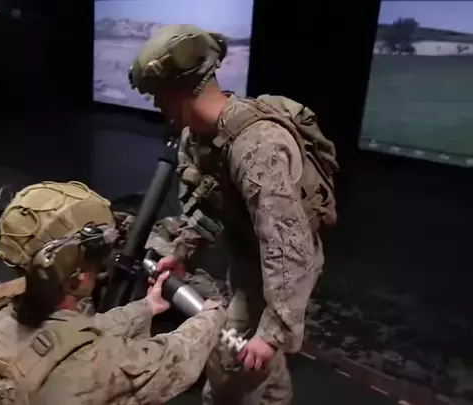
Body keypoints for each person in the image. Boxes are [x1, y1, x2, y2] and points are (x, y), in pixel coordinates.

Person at [129, 24, 339, 405]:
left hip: (280, 270)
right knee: (257, 363)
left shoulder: (258, 149)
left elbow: (289, 251)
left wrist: (273, 331)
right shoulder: (198, 135)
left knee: (230, 364)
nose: (157, 106)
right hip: (248, 254)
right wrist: (182, 252)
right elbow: (209, 203)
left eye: (158, 95)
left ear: (178, 90)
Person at [0, 181, 227, 405]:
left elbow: (67, 338)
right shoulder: (93, 367)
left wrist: (146, 307)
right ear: (78, 275)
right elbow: (174, 359)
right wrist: (213, 315)